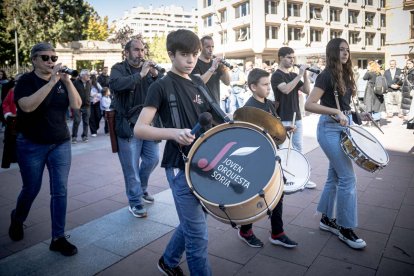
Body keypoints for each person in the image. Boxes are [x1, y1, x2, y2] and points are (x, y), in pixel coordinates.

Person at [134, 29, 217, 276]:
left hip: (207, 163)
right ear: (171, 55)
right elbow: (140, 128)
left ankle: (168, 261)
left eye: (194, 54)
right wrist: (173, 133)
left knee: (196, 222)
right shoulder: (161, 86)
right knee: (198, 235)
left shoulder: (199, 83)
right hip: (181, 167)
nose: (191, 60)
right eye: (184, 54)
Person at [8, 42, 82, 256]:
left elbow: (76, 105)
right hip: (31, 144)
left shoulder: (61, 81)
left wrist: (67, 83)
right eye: (45, 58)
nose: (51, 61)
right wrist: (51, 82)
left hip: (60, 143)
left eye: (53, 57)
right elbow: (27, 106)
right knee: (31, 188)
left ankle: (58, 238)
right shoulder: (25, 81)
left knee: (60, 190)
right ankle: (18, 217)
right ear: (34, 59)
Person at [305, 38, 370, 249]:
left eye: (347, 50)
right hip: (329, 129)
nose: (345, 53)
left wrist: (358, 114)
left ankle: (326, 219)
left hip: (345, 127)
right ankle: (345, 228)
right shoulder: (326, 76)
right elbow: (309, 104)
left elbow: (344, 105)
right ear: (333, 52)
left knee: (334, 176)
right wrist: (335, 111)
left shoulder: (346, 74)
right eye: (341, 50)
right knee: (348, 178)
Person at [237, 68, 297, 249]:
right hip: (255, 158)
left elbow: (271, 127)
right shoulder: (248, 109)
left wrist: (283, 130)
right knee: (256, 195)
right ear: (253, 87)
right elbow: (245, 137)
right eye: (264, 84)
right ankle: (245, 230)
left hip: (271, 154)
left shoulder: (269, 104)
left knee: (278, 191)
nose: (269, 88)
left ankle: (277, 232)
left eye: (269, 84)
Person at [109, 38, 160, 218]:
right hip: (128, 126)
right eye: (137, 50)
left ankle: (141, 188)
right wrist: (140, 75)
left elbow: (161, 89)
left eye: (142, 50)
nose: (141, 53)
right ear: (127, 52)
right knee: (131, 168)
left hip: (147, 124)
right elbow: (116, 85)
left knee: (153, 159)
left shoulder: (149, 70)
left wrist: (155, 76)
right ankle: (135, 202)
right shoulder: (118, 68)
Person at [271, 47, 316, 189]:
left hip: (297, 116)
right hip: (283, 117)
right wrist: (299, 75)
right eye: (289, 57)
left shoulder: (293, 75)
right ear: (280, 58)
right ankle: (284, 179)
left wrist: (304, 75)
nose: (292, 60)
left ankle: (302, 177)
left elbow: (307, 91)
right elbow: (286, 89)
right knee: (284, 149)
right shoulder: (277, 75)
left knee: (298, 148)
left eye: (293, 57)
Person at [191, 35, 230, 105]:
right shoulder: (195, 63)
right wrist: (212, 69)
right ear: (201, 48)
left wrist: (224, 68)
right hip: (202, 105)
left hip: (216, 105)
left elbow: (227, 82)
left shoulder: (215, 63)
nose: (211, 49)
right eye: (208, 47)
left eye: (212, 46)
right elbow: (199, 83)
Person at [1, 73, 22, 169]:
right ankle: (13, 158)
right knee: (11, 140)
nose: (17, 83)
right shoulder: (12, 91)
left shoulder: (32, 91)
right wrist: (8, 114)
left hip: (27, 121)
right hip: (13, 119)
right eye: (16, 81)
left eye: (19, 81)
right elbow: (5, 104)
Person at [72, 69, 91, 143]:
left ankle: (85, 136)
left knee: (86, 122)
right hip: (77, 105)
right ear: (83, 75)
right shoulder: (75, 83)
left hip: (87, 105)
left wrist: (90, 98)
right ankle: (74, 136)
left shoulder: (89, 82)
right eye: (87, 75)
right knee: (77, 121)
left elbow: (89, 92)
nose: (88, 76)